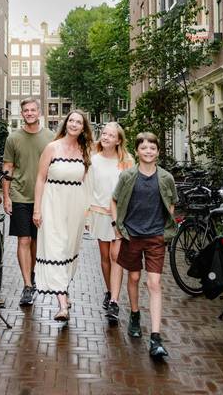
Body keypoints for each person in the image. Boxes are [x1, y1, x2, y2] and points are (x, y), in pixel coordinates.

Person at [110, 132, 177, 359]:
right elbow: (115, 200)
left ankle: (156, 337)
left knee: (154, 283)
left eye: (152, 148)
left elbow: (171, 204)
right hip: (132, 236)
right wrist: (117, 226)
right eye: (144, 148)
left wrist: (165, 228)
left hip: (156, 237)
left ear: (158, 152)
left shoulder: (166, 177)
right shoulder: (128, 176)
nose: (148, 151)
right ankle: (135, 314)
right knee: (134, 278)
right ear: (137, 151)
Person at [32, 110, 93, 321]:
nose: (74, 124)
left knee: (69, 249)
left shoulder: (85, 151)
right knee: (56, 250)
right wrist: (37, 209)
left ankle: (63, 290)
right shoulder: (52, 147)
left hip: (75, 208)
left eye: (79, 122)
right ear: (66, 124)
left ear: (83, 127)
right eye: (71, 120)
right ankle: (62, 305)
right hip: (52, 205)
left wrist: (88, 214)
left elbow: (87, 184)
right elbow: (40, 179)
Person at [2, 98, 55, 307]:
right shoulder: (13, 138)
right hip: (20, 195)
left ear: (39, 112)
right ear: (22, 113)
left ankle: (31, 274)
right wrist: (6, 197)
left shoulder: (50, 138)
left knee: (35, 242)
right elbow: (8, 168)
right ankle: (26, 285)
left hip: (43, 198)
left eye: (33, 110)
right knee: (23, 240)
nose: (30, 113)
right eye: (26, 110)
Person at [88, 122, 134, 317]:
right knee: (105, 257)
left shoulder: (127, 161)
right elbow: (88, 187)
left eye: (111, 135)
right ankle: (109, 290)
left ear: (118, 140)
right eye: (104, 134)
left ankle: (114, 300)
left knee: (116, 257)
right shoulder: (93, 160)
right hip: (99, 214)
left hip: (120, 216)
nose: (106, 137)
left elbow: (132, 189)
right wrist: (86, 214)